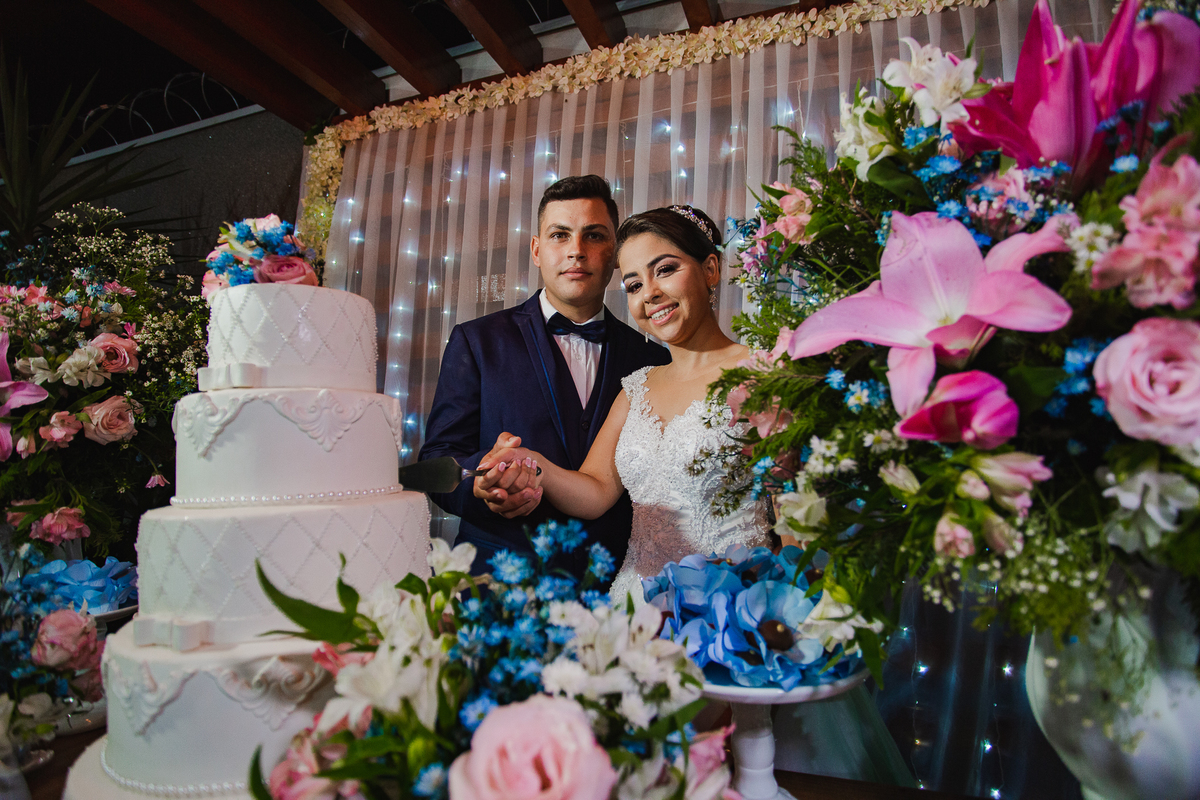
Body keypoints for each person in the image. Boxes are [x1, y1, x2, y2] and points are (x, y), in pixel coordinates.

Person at [476, 205, 773, 602]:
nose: (649, 293)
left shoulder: (765, 372)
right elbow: (596, 491)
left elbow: (795, 511)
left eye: (665, 269)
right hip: (636, 606)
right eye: (633, 285)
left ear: (710, 269)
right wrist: (530, 461)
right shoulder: (636, 388)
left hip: (733, 603)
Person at [419, 175, 670, 579]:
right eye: (559, 235)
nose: (576, 250)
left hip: (613, 585)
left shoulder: (653, 359)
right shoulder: (477, 341)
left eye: (594, 235)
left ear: (615, 253)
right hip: (500, 584)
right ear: (537, 250)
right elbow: (437, 459)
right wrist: (480, 485)